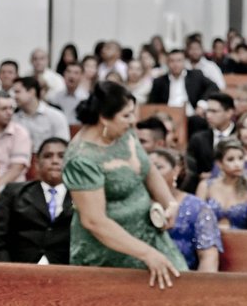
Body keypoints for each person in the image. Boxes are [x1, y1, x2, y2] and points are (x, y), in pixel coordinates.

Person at [63, 81, 184, 287]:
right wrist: (145, 253)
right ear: (104, 118)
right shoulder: (81, 159)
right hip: (109, 250)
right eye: (126, 115)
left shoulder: (123, 132)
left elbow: (147, 168)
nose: (133, 120)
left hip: (150, 235)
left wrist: (169, 203)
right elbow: (94, 221)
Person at [0, 137, 72, 264]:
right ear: (36, 163)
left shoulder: (81, 197)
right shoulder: (13, 192)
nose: (55, 161)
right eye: (48, 156)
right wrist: (6, 271)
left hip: (67, 272)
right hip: (17, 270)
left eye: (61, 156)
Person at [150, 148, 222, 271]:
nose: (152, 174)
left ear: (176, 170)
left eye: (158, 167)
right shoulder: (135, 204)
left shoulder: (197, 207)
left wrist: (200, 288)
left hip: (183, 278)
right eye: (147, 169)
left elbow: (208, 257)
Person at [198, 137, 247, 231]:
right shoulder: (205, 187)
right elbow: (197, 223)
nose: (237, 164)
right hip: (208, 242)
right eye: (230, 160)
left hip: (241, 242)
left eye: (240, 158)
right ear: (219, 163)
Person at [187, 92, 237, 182]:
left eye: (214, 111)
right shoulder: (198, 139)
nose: (208, 116)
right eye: (207, 111)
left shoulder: (241, 136)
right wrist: (199, 176)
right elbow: (190, 169)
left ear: (229, 113)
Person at [11, 75, 71, 151]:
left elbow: (63, 146)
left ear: (31, 92)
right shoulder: (13, 119)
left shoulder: (56, 116)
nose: (14, 96)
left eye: (17, 92)